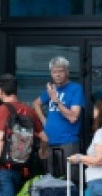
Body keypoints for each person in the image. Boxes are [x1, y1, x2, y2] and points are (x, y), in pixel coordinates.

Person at [35, 57, 84, 188]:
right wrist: (43, 120)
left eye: (60, 71)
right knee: (50, 180)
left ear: (67, 72)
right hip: (49, 140)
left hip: (68, 140)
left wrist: (56, 101)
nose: (57, 74)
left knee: (70, 181)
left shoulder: (75, 89)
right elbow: (36, 103)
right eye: (54, 71)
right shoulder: (51, 89)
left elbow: (73, 117)